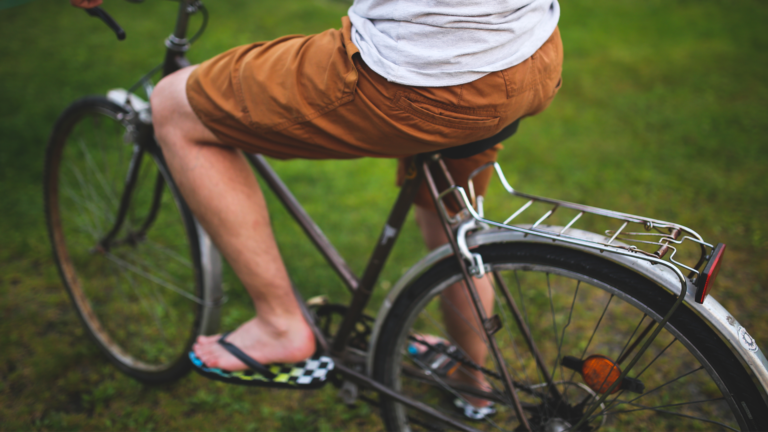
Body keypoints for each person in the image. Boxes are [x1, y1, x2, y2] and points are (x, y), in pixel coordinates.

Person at [72, 0, 562, 415]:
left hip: (424, 74)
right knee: (450, 217)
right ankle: (471, 379)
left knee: (175, 105)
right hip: (527, 54)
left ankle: (280, 324)